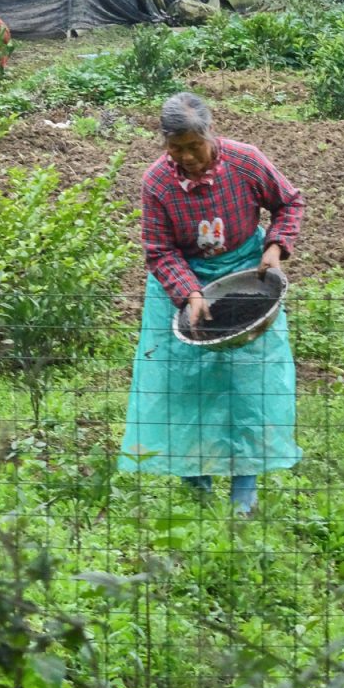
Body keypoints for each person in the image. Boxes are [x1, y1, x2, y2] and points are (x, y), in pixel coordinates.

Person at [118, 92, 304, 514]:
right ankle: (196, 488)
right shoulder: (157, 183)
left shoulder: (245, 161)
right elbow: (159, 251)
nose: (186, 157)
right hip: (183, 283)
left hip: (245, 280)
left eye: (193, 146)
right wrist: (191, 293)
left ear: (210, 134)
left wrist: (275, 247)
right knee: (183, 387)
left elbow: (289, 202)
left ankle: (244, 492)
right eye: (176, 148)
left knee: (250, 385)